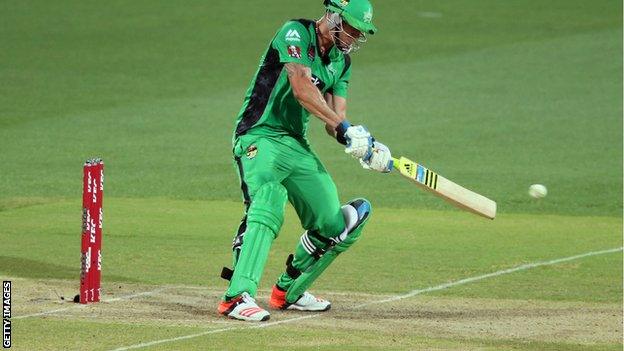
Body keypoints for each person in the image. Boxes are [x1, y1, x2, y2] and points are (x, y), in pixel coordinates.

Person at [218, 0, 392, 322]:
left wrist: (365, 144)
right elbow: (300, 88)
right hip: (259, 135)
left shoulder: (342, 61)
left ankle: (288, 290)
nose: (354, 36)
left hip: (296, 143)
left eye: (359, 32)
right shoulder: (296, 33)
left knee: (337, 224)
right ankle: (237, 296)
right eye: (352, 27)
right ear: (334, 16)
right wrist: (344, 127)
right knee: (269, 199)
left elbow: (335, 120)